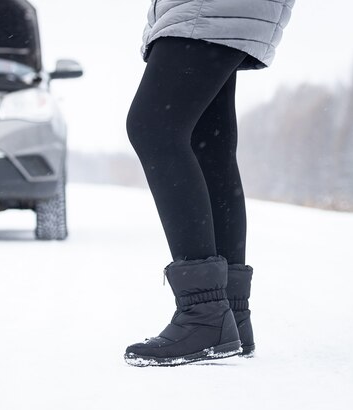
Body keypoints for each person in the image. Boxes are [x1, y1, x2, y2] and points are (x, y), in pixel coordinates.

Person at [124, 0, 295, 366]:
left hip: (210, 8)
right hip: (214, 10)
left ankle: (204, 315)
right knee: (207, 146)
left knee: (154, 127)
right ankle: (230, 315)